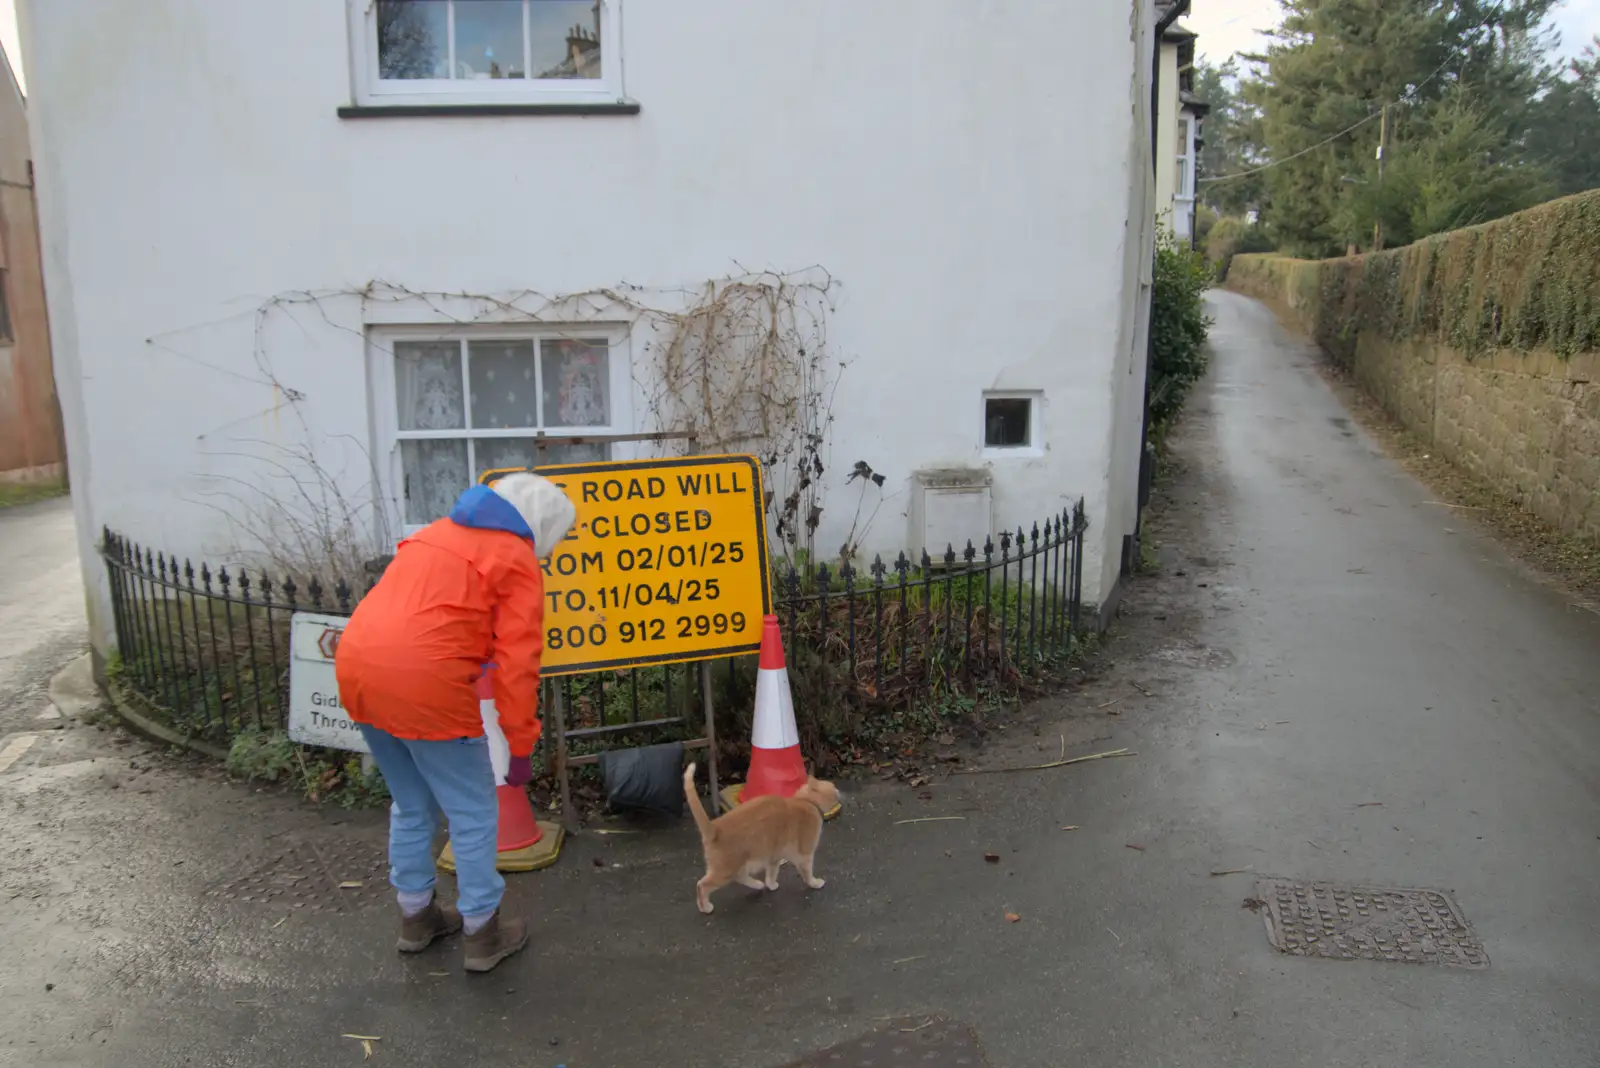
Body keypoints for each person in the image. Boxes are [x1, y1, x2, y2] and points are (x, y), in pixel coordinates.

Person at [335, 473, 575, 973]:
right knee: (472, 812)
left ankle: (416, 918)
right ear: (541, 527)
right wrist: (521, 744)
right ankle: (483, 933)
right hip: (428, 684)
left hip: (358, 668)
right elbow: (518, 666)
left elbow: (425, 610)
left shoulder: (434, 532)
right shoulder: (516, 561)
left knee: (410, 802)